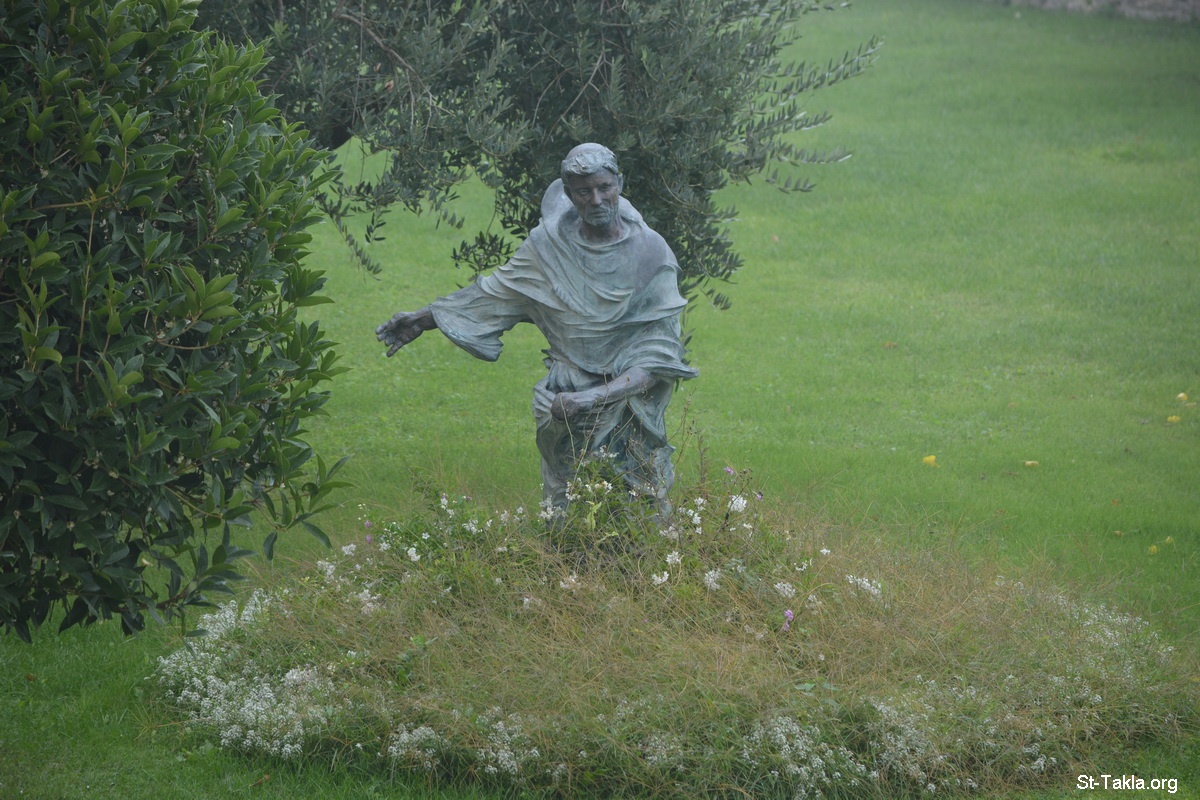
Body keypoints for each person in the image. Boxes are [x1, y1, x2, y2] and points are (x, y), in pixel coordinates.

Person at [376, 143, 697, 514]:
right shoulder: (548, 249)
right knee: (566, 509)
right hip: (564, 401)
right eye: (583, 191)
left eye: (604, 187)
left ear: (619, 184)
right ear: (569, 194)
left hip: (628, 409)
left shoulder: (651, 254)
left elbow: (658, 357)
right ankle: (564, 552)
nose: (596, 200)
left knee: (639, 511)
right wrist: (424, 318)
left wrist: (594, 398)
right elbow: (494, 294)